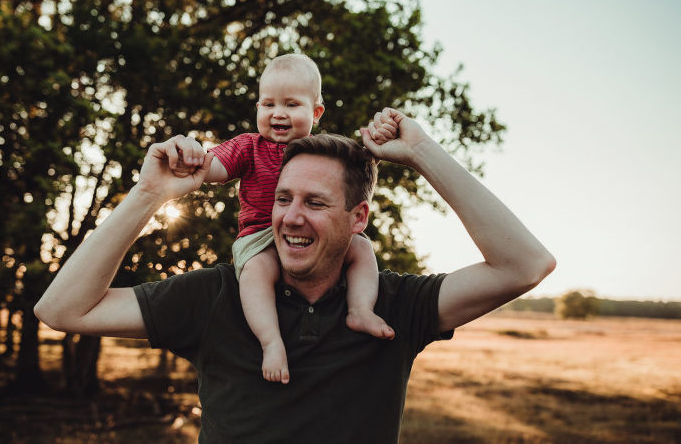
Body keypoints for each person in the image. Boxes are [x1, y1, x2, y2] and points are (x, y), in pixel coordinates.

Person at [34, 108, 556, 443]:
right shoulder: (217, 294)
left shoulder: (393, 305)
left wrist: (421, 152)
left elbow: (525, 265)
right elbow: (62, 310)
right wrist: (149, 195)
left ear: (358, 218)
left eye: (315, 202)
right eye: (283, 198)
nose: (290, 217)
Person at [171, 53, 394, 384]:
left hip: (310, 237)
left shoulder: (322, 151)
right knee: (256, 272)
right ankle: (271, 341)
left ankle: (360, 309)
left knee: (361, 248)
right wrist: (193, 156)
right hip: (259, 236)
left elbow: (358, 173)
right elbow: (214, 168)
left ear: (316, 112)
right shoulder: (249, 147)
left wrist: (380, 144)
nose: (278, 113)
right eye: (268, 104)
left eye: (291, 105)